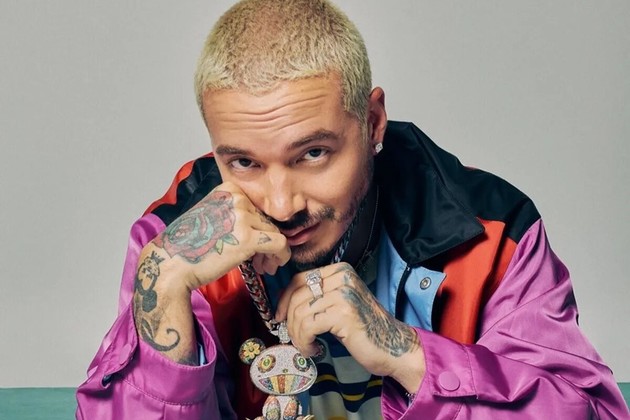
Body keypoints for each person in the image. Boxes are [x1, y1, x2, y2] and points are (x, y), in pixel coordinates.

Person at [76, 0, 629, 418]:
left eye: (313, 154)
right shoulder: (176, 240)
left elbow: (591, 411)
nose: (281, 203)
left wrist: (406, 353)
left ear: (372, 122)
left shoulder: (492, 234)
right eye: (244, 162)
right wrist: (163, 291)